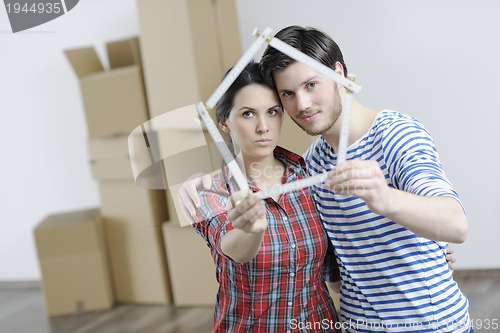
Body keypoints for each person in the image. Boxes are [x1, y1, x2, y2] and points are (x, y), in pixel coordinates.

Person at [257, 25, 472, 332]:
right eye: (288, 94)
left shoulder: (396, 134)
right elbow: (336, 268)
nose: (302, 104)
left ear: (339, 73)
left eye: (311, 85)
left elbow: (456, 224)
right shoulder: (314, 163)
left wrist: (384, 198)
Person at [191, 61, 340, 332]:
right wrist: (251, 230)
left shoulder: (309, 175)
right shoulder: (208, 191)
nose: (263, 126)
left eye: (272, 112)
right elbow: (234, 249)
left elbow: (336, 271)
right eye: (248, 114)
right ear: (224, 122)